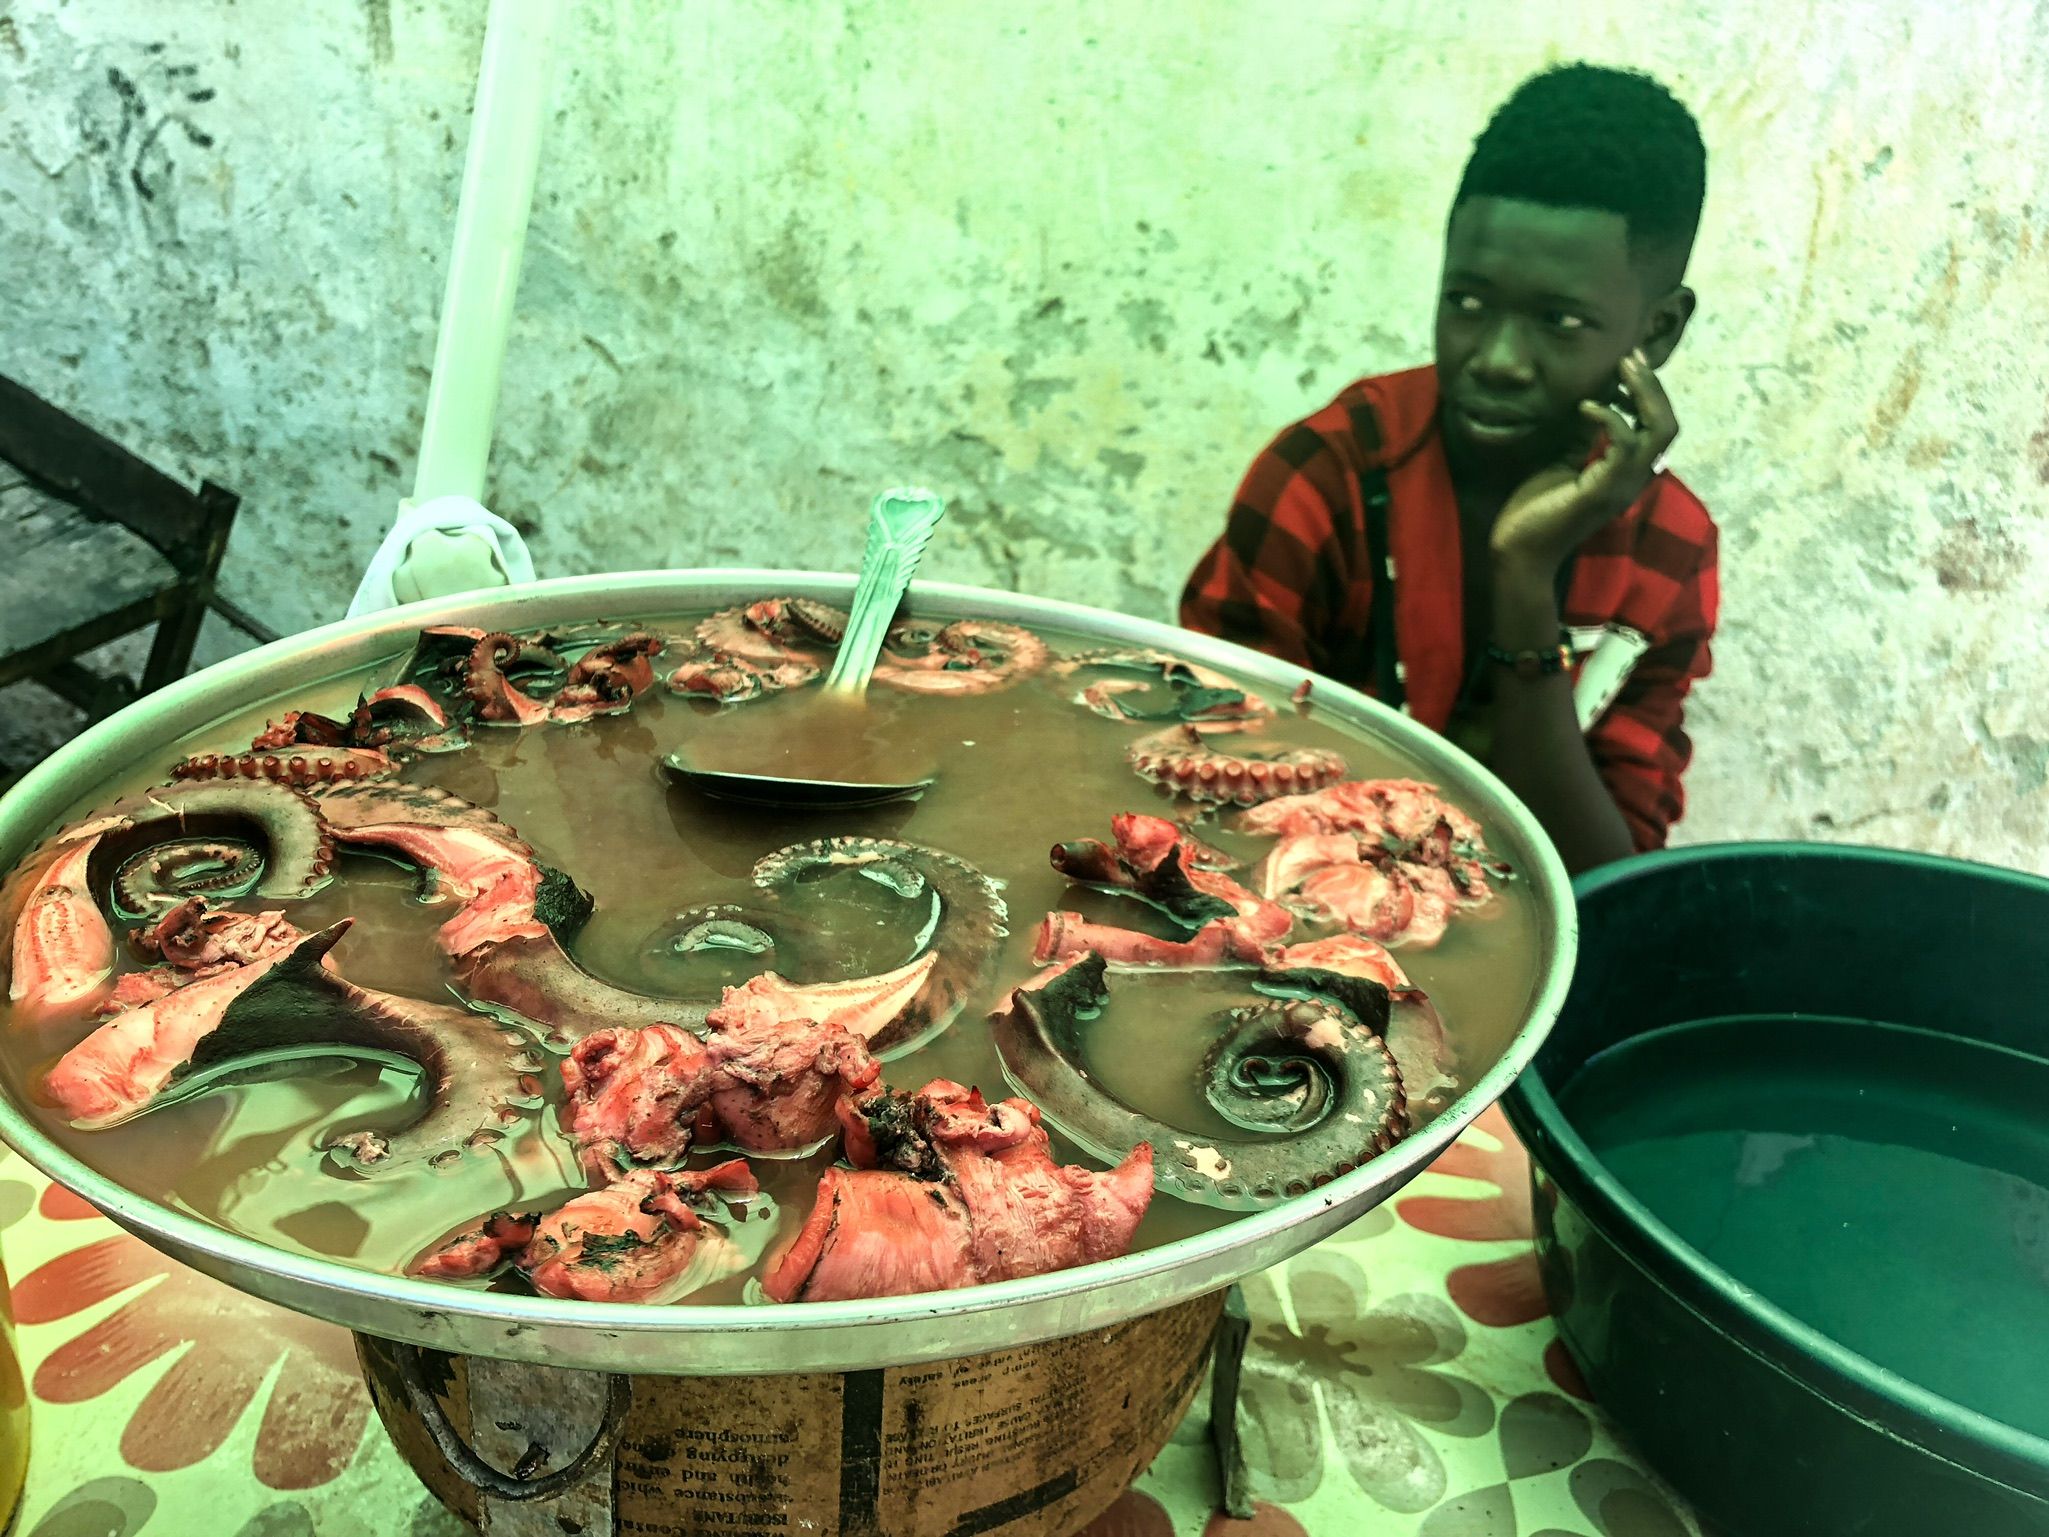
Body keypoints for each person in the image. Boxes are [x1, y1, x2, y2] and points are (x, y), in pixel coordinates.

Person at [1180, 63, 1716, 873]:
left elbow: (1601, 877)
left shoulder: (1665, 552)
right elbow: (1197, 788)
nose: (1496, 358)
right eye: (1467, 301)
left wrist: (1524, 580)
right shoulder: (1325, 480)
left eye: (1559, 321)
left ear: (1658, 331)